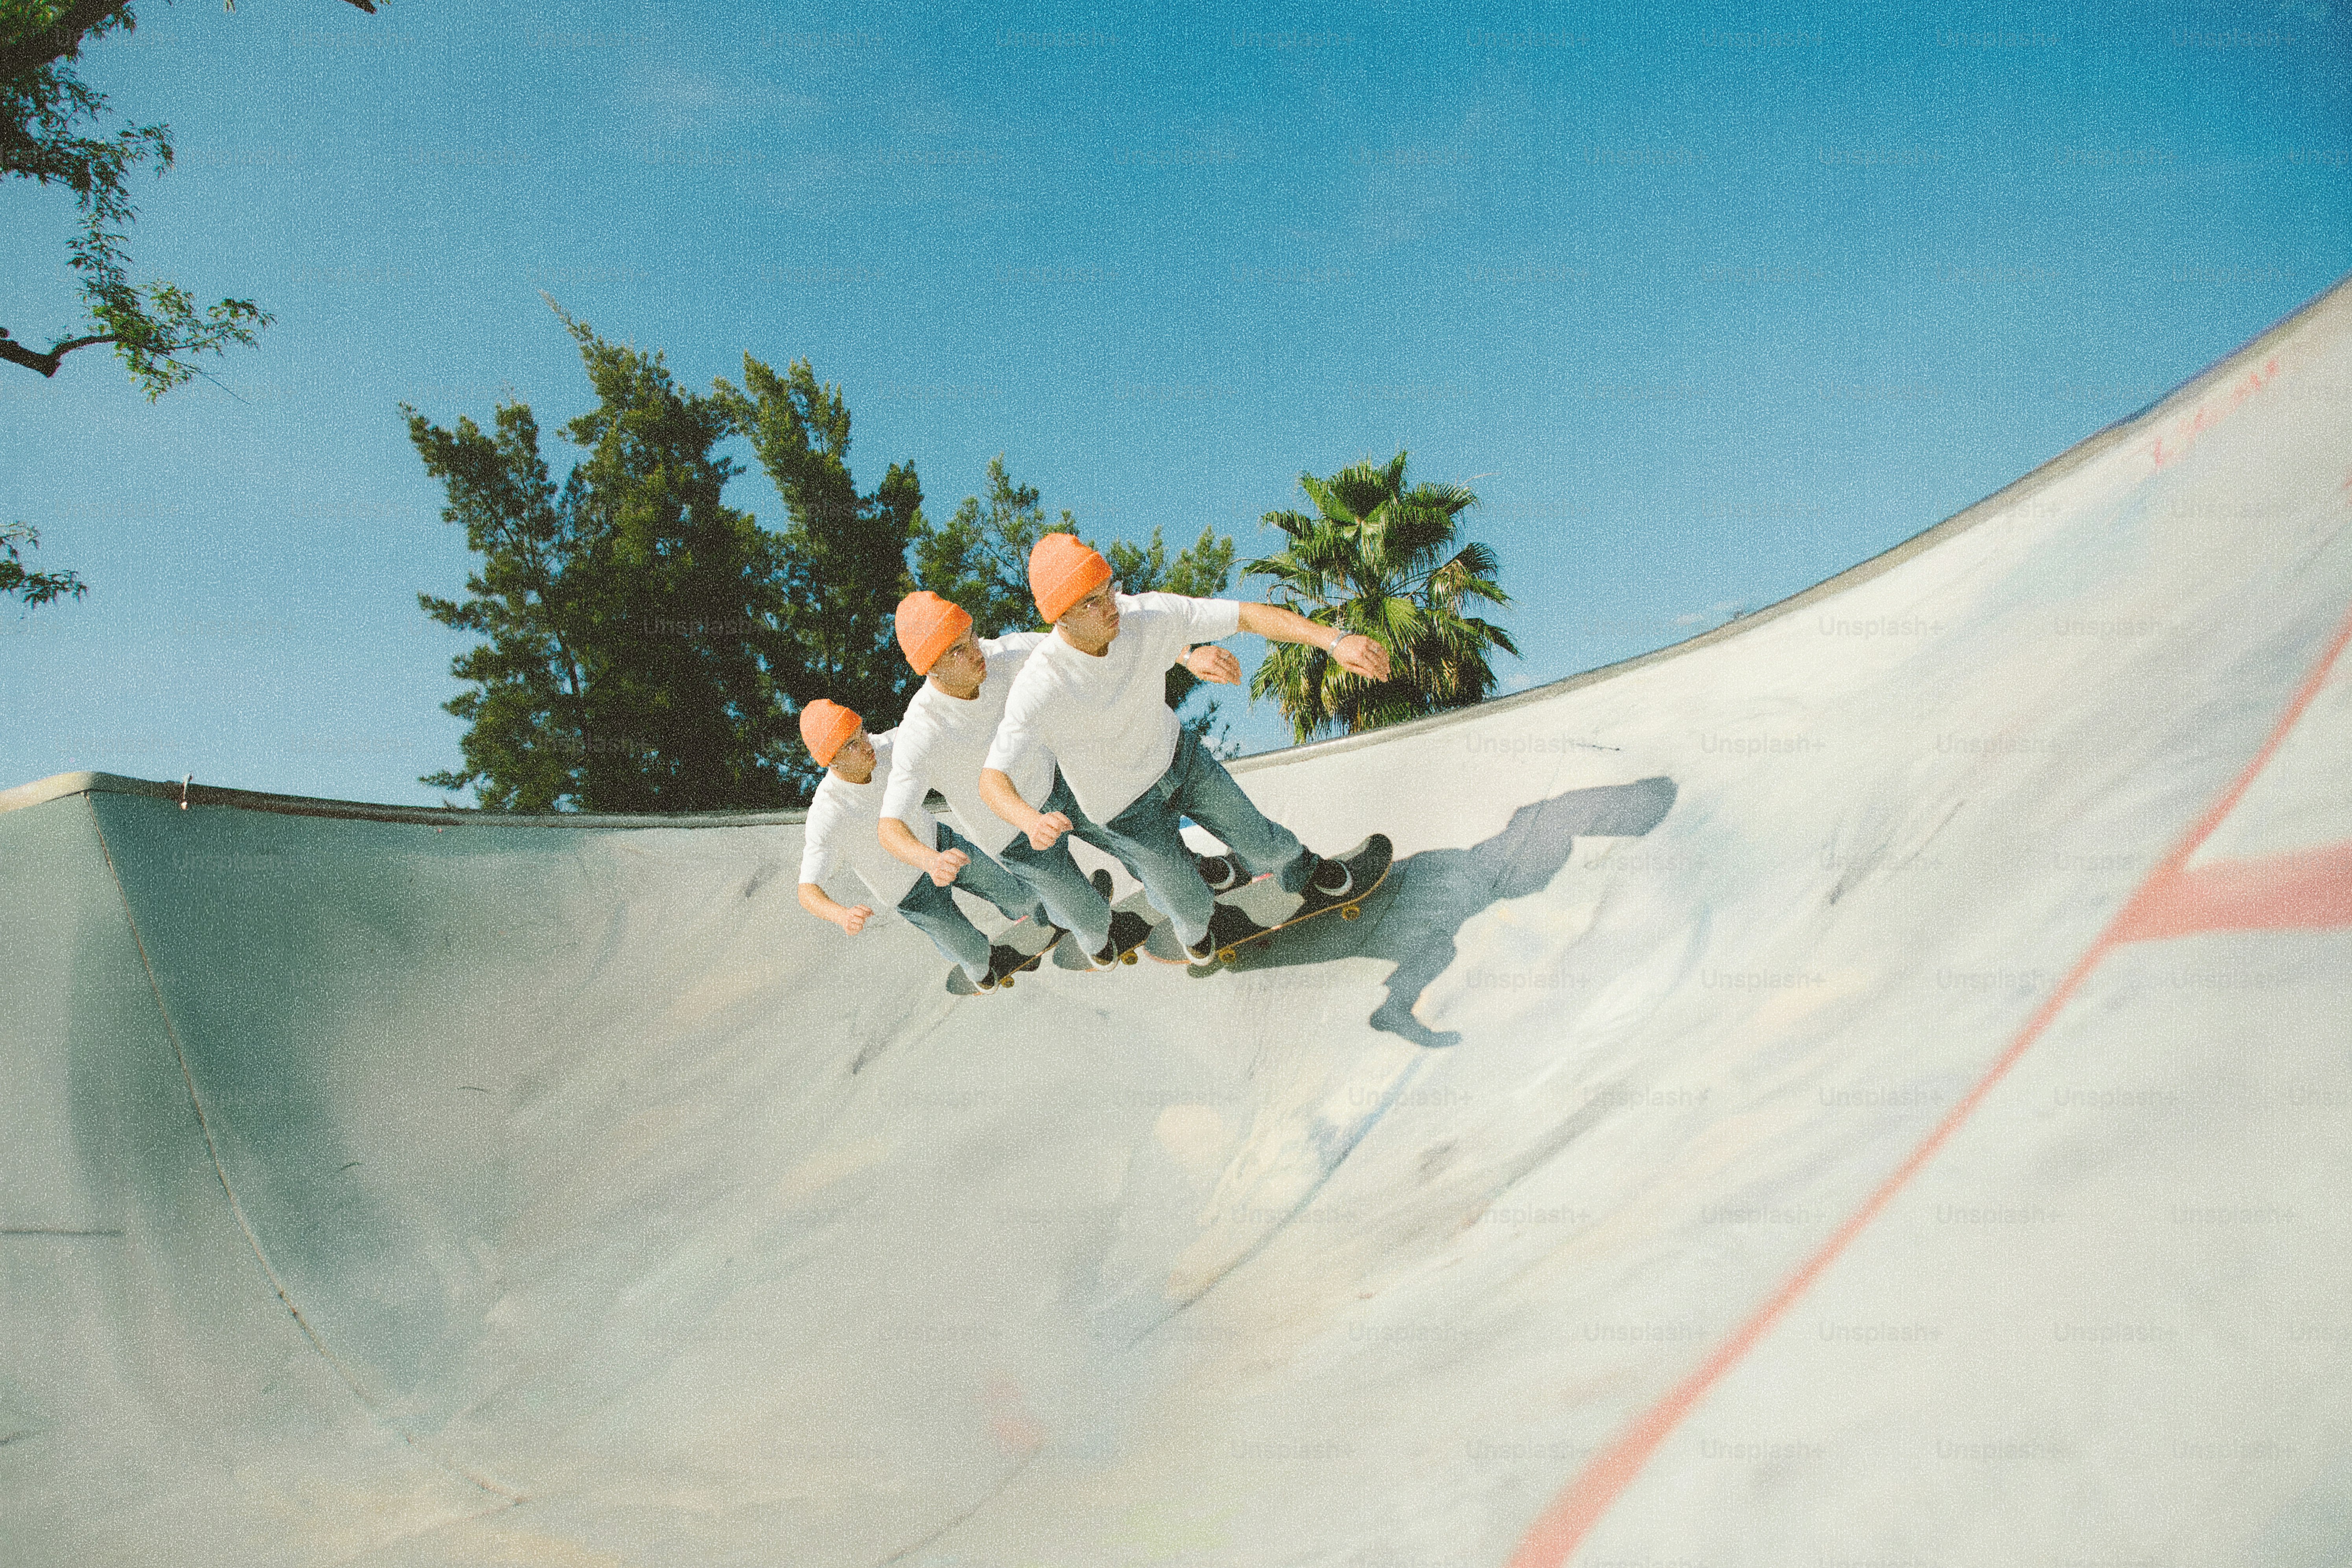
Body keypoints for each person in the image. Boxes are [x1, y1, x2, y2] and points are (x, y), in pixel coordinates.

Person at [977, 533, 1392, 963]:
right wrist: (1027, 819)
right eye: (1091, 604)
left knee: (1266, 845)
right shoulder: (1040, 686)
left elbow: (1247, 616)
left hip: (1181, 761)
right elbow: (993, 779)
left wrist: (1334, 641)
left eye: (1109, 591)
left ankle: (1305, 869)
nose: (1111, 608)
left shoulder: (1146, 614)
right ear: (1060, 619)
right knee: (1190, 907)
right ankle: (1194, 932)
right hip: (1124, 809)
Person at [878, 591, 1219, 970]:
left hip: (1062, 788)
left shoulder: (1008, 654)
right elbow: (890, 826)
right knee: (1090, 921)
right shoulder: (920, 734)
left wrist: (1187, 655)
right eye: (957, 651)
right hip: (1010, 834)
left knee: (1138, 842)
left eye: (972, 636)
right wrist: (928, 858)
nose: (976, 652)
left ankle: (1185, 875)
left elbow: (1095, 640)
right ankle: (1086, 932)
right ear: (931, 668)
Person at [794, 699, 1047, 991]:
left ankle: (1047, 916)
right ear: (831, 760)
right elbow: (807, 890)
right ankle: (980, 968)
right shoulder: (827, 814)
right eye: (851, 745)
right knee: (975, 956)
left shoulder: (888, 748)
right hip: (909, 892)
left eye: (862, 732)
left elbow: (937, 725)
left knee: (1019, 896)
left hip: (941, 846)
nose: (866, 745)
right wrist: (841, 914)